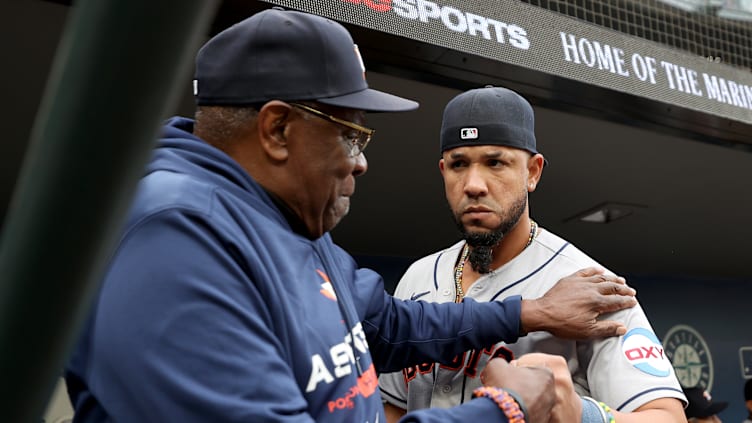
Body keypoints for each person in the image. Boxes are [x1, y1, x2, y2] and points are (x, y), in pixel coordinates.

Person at [63, 8, 638, 423]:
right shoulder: (170, 238)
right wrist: (504, 410)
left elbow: (386, 325)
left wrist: (529, 311)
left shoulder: (285, 221)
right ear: (278, 128)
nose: (359, 164)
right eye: (350, 134)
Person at [379, 86, 687, 423]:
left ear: (533, 172)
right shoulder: (419, 277)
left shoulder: (589, 284)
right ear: (443, 171)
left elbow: (667, 418)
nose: (473, 184)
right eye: (459, 164)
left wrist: (585, 415)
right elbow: (392, 407)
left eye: (495, 162)